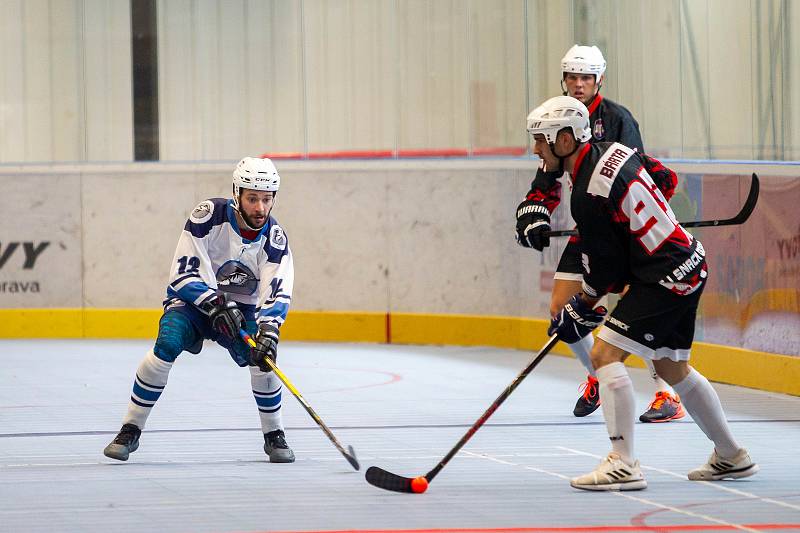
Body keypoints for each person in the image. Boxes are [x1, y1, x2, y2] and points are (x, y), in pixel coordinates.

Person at [526, 95, 758, 490]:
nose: (536, 149)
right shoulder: (614, 150)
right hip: (689, 262)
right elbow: (664, 179)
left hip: (665, 276)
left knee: (604, 353)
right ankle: (732, 456)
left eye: (540, 140)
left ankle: (623, 463)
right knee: (670, 367)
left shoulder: (586, 194)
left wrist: (582, 306)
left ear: (565, 141)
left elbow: (606, 269)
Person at [516, 44, 683, 423]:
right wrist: (536, 208)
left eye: (585, 78)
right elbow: (548, 170)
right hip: (590, 223)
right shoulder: (555, 115)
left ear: (598, 80)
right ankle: (598, 375)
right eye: (571, 77)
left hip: (620, 226)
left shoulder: (618, 118)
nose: (577, 84)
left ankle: (665, 393)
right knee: (561, 308)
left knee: (634, 307)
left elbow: (636, 173)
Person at [104, 157, 296, 463]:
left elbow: (277, 291)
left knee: (264, 359)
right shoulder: (208, 216)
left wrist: (270, 328)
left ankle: (274, 434)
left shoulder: (275, 239)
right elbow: (182, 275)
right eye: (252, 198)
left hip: (240, 315)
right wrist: (215, 302)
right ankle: (130, 430)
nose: (260, 208)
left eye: (266, 199)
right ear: (237, 193)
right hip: (193, 305)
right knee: (166, 344)